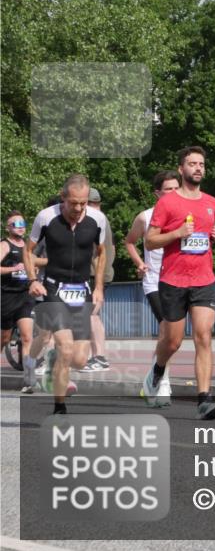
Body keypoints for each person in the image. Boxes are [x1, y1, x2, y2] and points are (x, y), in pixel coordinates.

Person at [143, 146, 215, 420]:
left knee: (203, 336)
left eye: (201, 163)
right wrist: (177, 233)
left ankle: (204, 399)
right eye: (192, 163)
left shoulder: (211, 202)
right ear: (181, 169)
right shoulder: (167, 203)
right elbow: (150, 240)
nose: (198, 168)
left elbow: (202, 241)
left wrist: (214, 236)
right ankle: (157, 369)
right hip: (173, 280)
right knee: (173, 341)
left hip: (203, 278)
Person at [24, 175, 108, 414]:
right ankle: (59, 407)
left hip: (82, 290)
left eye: (83, 203)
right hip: (53, 289)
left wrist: (99, 286)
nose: (79, 208)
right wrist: (32, 280)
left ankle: (54, 360)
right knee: (65, 345)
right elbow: (28, 251)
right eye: (74, 203)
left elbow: (101, 254)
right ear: (63, 198)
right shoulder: (46, 217)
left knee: (80, 359)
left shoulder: (97, 219)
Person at [123, 170, 181, 394]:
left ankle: (154, 375)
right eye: (169, 189)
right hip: (154, 281)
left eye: (177, 188)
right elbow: (129, 242)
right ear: (158, 193)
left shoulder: (187, 216)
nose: (174, 193)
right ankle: (162, 379)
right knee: (166, 328)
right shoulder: (145, 217)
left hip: (178, 280)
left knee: (171, 335)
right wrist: (139, 263)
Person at [1, 211, 37, 392]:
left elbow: (35, 262)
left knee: (27, 337)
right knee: (4, 338)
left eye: (22, 223)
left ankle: (29, 380)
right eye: (15, 224)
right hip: (7, 297)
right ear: (8, 228)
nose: (20, 226)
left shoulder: (28, 246)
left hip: (25, 296)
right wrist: (13, 268)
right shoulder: (5, 245)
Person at [80, 188, 114, 372]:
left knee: (91, 315)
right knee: (91, 315)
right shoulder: (103, 218)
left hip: (95, 274)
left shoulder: (93, 219)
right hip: (103, 272)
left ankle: (99, 357)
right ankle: (93, 356)